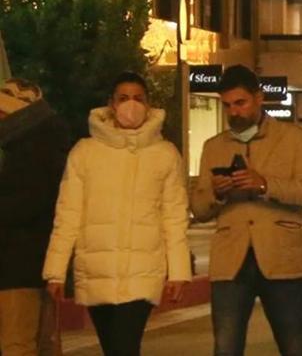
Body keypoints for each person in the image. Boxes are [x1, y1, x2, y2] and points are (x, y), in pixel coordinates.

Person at [42, 73, 191, 355]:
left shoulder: (165, 154)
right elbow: (68, 214)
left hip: (142, 272)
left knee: (124, 347)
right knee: (114, 349)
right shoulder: (84, 153)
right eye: (123, 98)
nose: (130, 105)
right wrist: (55, 272)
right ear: (110, 104)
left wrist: (179, 272)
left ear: (148, 105)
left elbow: (174, 217)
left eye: (138, 98)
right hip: (97, 271)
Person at [191, 65, 302, 356]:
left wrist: (264, 185)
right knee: (226, 346)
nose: (234, 112)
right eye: (227, 105)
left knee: (292, 343)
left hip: (280, 257)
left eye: (241, 103)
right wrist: (218, 193)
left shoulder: (292, 138)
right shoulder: (213, 146)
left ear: (259, 98)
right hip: (231, 260)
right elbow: (199, 208)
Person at [0, 79, 71, 356]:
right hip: (38, 264)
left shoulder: (29, 153)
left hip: (18, 266)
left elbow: (26, 204)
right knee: (42, 343)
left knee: (18, 345)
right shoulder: (43, 146)